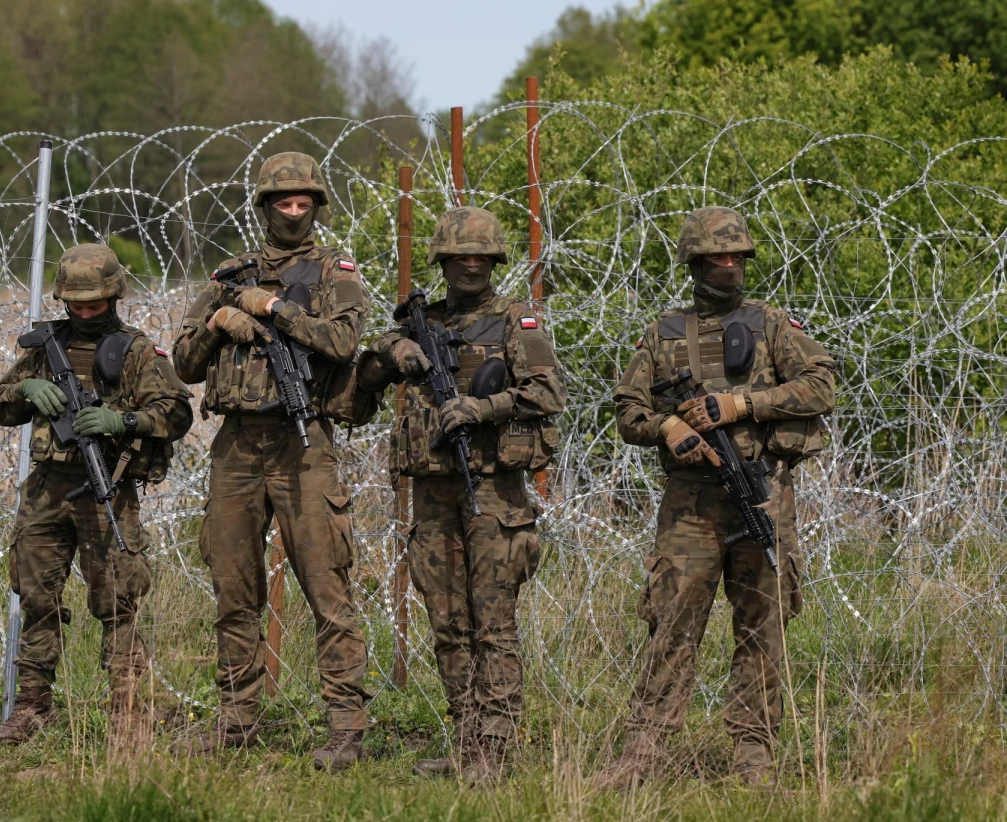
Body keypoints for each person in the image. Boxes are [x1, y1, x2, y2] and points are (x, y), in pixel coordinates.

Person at [600, 206, 836, 788]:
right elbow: (627, 409)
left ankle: (753, 756)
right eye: (717, 258)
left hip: (762, 495)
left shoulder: (772, 324)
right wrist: (668, 429)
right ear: (695, 263)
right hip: (690, 504)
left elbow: (822, 386)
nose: (729, 267)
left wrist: (741, 406)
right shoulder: (665, 332)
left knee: (763, 625)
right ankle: (645, 756)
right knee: (672, 623)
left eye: (737, 257)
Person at [172, 151, 372, 771]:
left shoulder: (334, 272)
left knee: (326, 587)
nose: (293, 211)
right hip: (236, 446)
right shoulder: (230, 274)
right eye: (282, 202)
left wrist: (275, 309)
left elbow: (343, 342)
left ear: (316, 205)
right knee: (234, 589)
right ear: (263, 207)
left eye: (302, 202)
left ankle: (346, 728)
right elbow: (183, 364)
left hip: (302, 444)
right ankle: (237, 720)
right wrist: (221, 320)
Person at [357, 206, 566, 782]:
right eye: (459, 257)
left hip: (494, 493)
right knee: (447, 620)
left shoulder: (513, 322)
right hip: (433, 493)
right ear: (443, 262)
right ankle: (467, 741)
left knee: (492, 622)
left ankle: (496, 750)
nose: (469, 266)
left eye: (479, 257)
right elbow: (360, 388)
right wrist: (389, 352)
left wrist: (480, 407)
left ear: (493, 261)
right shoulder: (419, 325)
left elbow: (547, 392)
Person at [0, 243, 193, 746]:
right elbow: (1, 404)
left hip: (108, 489)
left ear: (114, 297)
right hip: (47, 489)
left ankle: (126, 712)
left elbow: (178, 414)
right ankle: (32, 707)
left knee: (118, 601)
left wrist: (121, 419)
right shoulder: (44, 347)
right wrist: (26, 390)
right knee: (37, 596)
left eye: (94, 305)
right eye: (75, 305)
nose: (83, 313)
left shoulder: (137, 350)